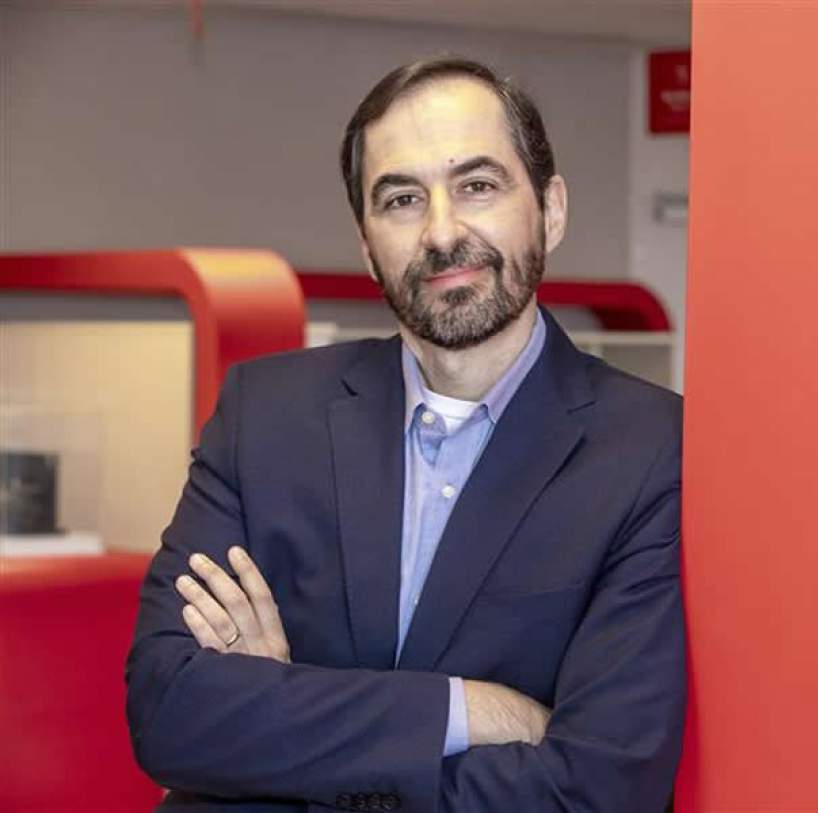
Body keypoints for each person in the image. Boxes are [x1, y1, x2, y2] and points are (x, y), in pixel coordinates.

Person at [124, 57, 685, 812]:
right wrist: (466, 710)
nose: (442, 232)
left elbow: (596, 791)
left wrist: (279, 727)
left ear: (550, 210)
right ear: (366, 244)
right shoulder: (266, 416)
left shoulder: (651, 448)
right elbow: (170, 714)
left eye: (477, 185)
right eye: (401, 199)